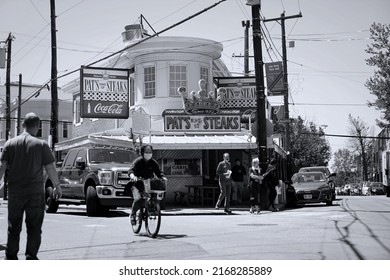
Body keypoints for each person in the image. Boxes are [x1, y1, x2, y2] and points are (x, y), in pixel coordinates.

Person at [0, 112, 62, 260]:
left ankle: (11, 256)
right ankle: (31, 256)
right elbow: (50, 168)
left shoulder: (9, 144)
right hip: (35, 192)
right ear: (38, 126)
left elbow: (2, 167)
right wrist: (57, 186)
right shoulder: (41, 145)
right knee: (34, 227)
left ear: (23, 125)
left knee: (14, 226)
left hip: (15, 191)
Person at [128, 144, 166, 225]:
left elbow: (159, 172)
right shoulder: (137, 162)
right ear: (142, 153)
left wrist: (162, 177)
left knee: (154, 196)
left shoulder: (153, 162)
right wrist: (133, 176)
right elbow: (131, 171)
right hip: (137, 184)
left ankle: (150, 210)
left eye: (150, 152)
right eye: (146, 152)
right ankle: (133, 215)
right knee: (138, 199)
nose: (148, 153)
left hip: (149, 184)